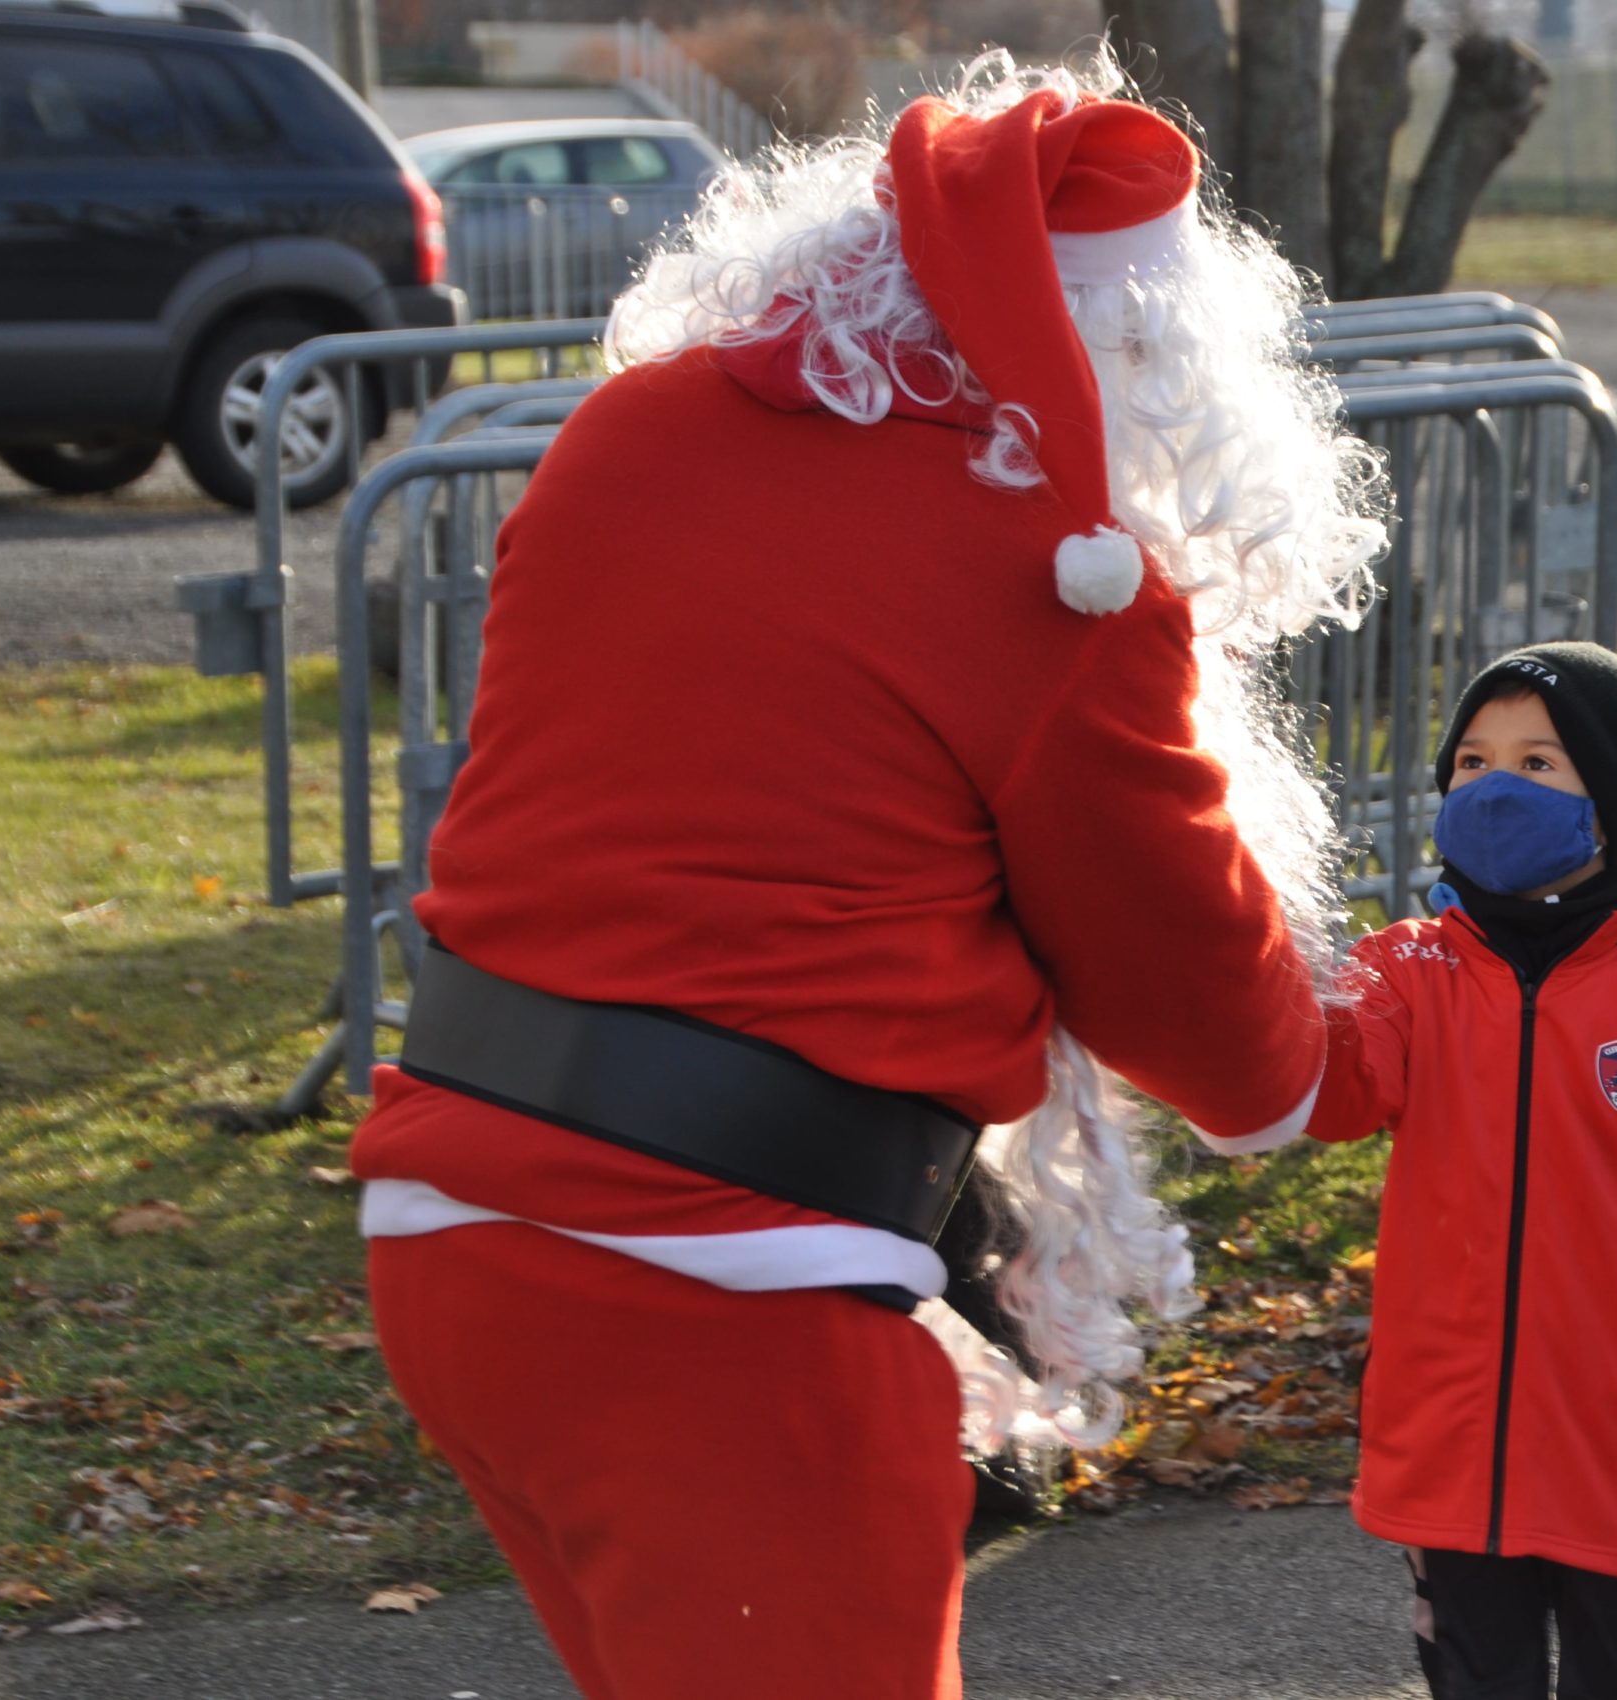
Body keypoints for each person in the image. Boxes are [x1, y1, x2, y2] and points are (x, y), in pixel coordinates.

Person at [346, 52, 1387, 1700]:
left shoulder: (627, 431)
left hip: (451, 1230)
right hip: (725, 1303)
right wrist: (1386, 1040)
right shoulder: (1051, 573)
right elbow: (1218, 1031)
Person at [1305, 643, 1617, 1700]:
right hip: (1447, 1466)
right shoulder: (1398, 971)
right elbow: (1331, 1095)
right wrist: (1262, 969)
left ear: (1607, 807)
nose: (1493, 788)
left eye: (1537, 764)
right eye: (1471, 762)